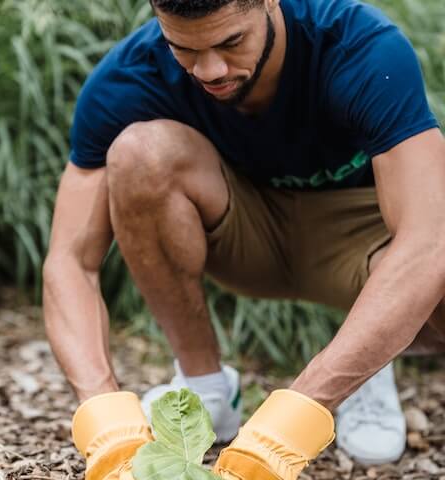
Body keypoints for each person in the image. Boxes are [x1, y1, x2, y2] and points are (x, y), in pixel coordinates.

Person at [43, 0, 445, 478]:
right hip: (244, 232)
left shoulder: (359, 47)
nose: (209, 69)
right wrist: (103, 419)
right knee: (138, 154)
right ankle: (205, 388)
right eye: (184, 48)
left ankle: (363, 371)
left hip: (367, 241)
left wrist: (288, 425)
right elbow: (69, 261)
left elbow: (428, 242)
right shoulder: (131, 76)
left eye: (231, 42)